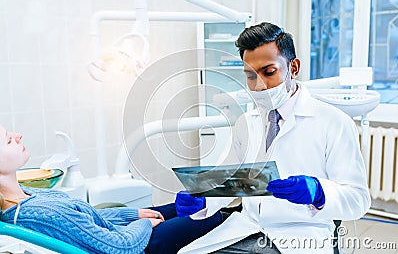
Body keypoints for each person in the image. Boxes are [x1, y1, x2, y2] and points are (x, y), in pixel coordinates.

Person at [177, 22, 371, 254]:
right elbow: (228, 180)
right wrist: (202, 199)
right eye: (250, 76)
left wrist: (319, 192)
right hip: (248, 225)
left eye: (269, 72)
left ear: (293, 68)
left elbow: (358, 200)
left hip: (302, 233)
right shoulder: (246, 124)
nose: (259, 86)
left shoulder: (334, 122)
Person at [0, 125, 223, 254]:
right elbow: (119, 248)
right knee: (220, 217)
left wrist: (131, 214)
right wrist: (143, 223)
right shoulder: (37, 214)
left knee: (182, 204)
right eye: (9, 141)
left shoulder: (26, 193)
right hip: (138, 248)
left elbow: (81, 219)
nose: (17, 136)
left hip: (122, 235)